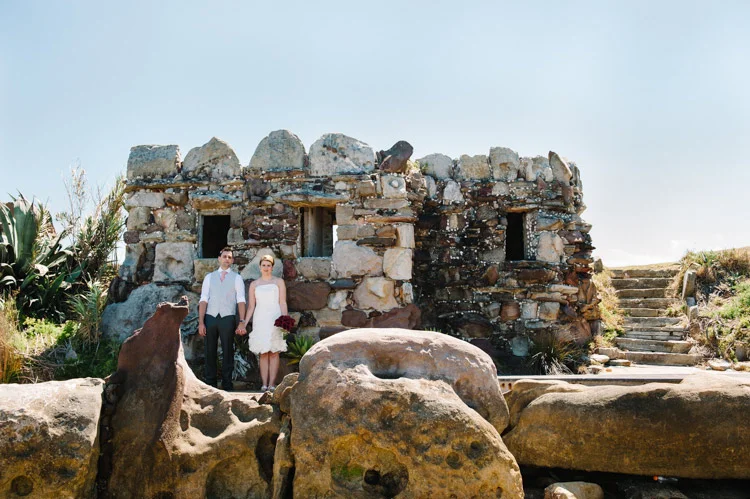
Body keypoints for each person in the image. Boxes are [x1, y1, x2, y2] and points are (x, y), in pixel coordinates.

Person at [198, 247, 247, 391]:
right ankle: (210, 384)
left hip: (228, 318)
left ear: (232, 261)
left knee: (228, 351)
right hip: (210, 317)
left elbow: (241, 301)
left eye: (229, 257)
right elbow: (203, 300)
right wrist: (201, 322)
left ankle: (227, 384)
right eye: (224, 256)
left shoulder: (237, 278)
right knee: (209, 351)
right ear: (219, 258)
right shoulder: (209, 277)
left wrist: (242, 321)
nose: (227, 259)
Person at [247, 254, 288, 391]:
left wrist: (285, 319)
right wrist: (244, 322)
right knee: (263, 352)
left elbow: (282, 302)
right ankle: (264, 384)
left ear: (272, 267)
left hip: (275, 317)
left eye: (268, 265)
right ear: (260, 267)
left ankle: (272, 384)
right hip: (260, 319)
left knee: (274, 351)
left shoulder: (278, 282)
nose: (266, 268)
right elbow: (251, 306)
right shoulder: (254, 284)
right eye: (263, 265)